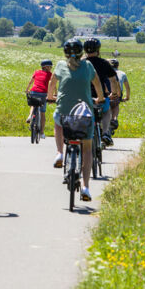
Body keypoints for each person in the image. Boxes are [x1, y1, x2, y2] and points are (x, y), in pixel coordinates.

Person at [47, 38, 104, 201]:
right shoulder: (87, 66)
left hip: (64, 113)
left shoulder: (59, 65)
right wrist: (99, 98)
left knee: (57, 120)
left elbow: (52, 83)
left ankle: (59, 153)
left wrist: (51, 96)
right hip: (84, 114)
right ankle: (85, 187)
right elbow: (97, 83)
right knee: (86, 149)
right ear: (81, 52)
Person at [82, 38, 121, 146]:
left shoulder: (81, 63)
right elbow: (113, 80)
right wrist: (113, 94)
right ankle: (105, 133)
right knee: (106, 111)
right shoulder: (104, 63)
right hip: (100, 97)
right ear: (98, 50)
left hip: (83, 96)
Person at [25, 59, 54, 139]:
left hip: (33, 92)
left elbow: (30, 82)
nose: (51, 68)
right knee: (42, 113)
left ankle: (30, 115)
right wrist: (54, 93)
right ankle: (41, 133)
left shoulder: (36, 72)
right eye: (50, 67)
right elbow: (52, 85)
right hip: (43, 94)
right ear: (46, 67)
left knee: (33, 104)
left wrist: (27, 89)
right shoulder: (50, 74)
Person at [108, 58, 130, 129]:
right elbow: (127, 87)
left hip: (107, 93)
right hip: (117, 94)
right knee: (116, 104)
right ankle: (114, 119)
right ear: (118, 66)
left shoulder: (106, 71)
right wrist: (127, 97)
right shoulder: (122, 73)